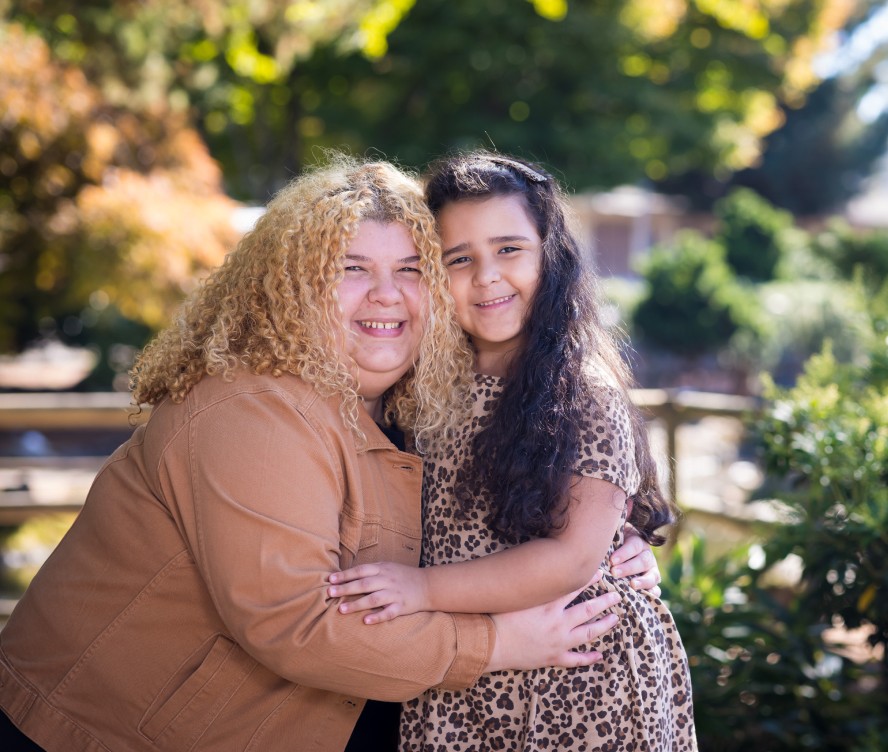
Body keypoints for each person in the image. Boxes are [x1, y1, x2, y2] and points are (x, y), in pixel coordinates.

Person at [0, 156, 661, 752]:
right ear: (291, 286)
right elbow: (297, 624)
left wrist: (601, 540)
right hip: (99, 733)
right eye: (352, 268)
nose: (386, 293)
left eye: (410, 269)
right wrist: (497, 644)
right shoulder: (251, 410)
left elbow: (488, 515)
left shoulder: (414, 407)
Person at [327, 152, 697, 750]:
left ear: (551, 255)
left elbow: (572, 558)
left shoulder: (582, 392)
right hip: (467, 667)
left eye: (509, 249)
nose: (487, 276)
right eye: (459, 258)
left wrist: (420, 590)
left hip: (576, 675)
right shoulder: (423, 385)